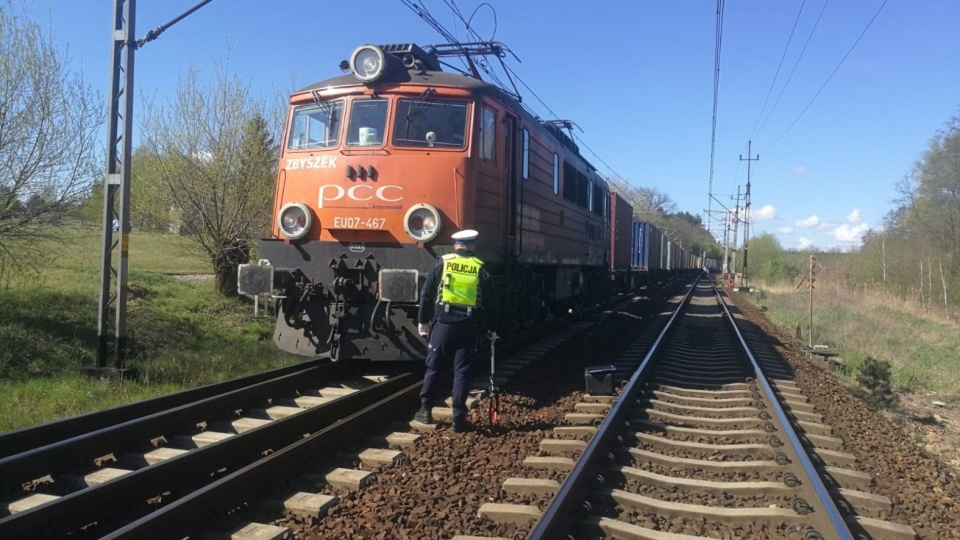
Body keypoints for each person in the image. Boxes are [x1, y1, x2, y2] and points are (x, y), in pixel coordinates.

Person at [414, 229, 499, 432]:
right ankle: (458, 419)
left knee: (434, 366)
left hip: (443, 324)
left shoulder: (443, 263)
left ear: (456, 246)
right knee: (462, 371)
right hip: (469, 326)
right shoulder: (480, 268)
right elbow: (492, 303)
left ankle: (425, 410)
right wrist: (493, 329)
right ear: (472, 247)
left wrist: (423, 321)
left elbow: (427, 293)